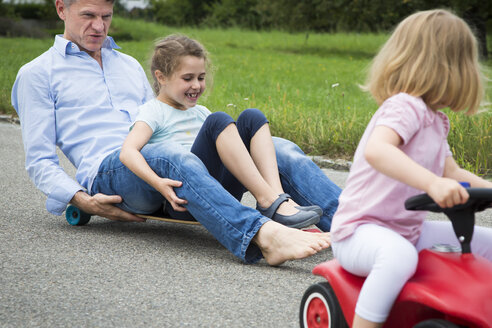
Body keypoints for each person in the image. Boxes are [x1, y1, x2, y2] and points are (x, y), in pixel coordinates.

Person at [11, 0, 341, 266]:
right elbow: (40, 161)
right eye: (88, 15)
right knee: (167, 154)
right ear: (60, 9)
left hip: (172, 162)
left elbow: (161, 116)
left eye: (106, 16)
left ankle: (354, 228)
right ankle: (265, 236)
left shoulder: (125, 64)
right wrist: (84, 201)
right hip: (112, 171)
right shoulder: (38, 74)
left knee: (275, 146)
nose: (98, 26)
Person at [330, 9, 492, 328]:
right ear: (444, 69)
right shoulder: (405, 107)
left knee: (486, 243)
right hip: (359, 232)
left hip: (408, 232)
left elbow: (453, 173)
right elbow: (379, 150)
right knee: (399, 257)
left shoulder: (436, 120)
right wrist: (432, 184)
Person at [119, 34, 321, 229]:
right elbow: (128, 152)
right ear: (161, 77)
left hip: (222, 194)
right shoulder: (153, 111)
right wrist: (158, 183)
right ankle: (269, 201)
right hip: (185, 199)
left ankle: (275, 199)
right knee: (218, 121)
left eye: (201, 77)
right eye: (188, 78)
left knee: (252, 116)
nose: (196, 85)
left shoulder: (200, 113)